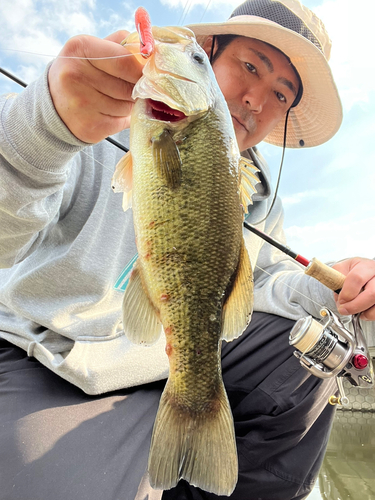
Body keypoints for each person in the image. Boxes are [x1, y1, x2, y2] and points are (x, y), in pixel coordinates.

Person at [0, 0, 374, 499]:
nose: (255, 100)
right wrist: (45, 130)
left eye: (280, 93)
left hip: (169, 365)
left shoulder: (259, 199)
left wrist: (338, 288)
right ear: (211, 52)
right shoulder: (87, 120)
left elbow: (262, 286)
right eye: (249, 67)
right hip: (50, 361)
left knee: (308, 354)